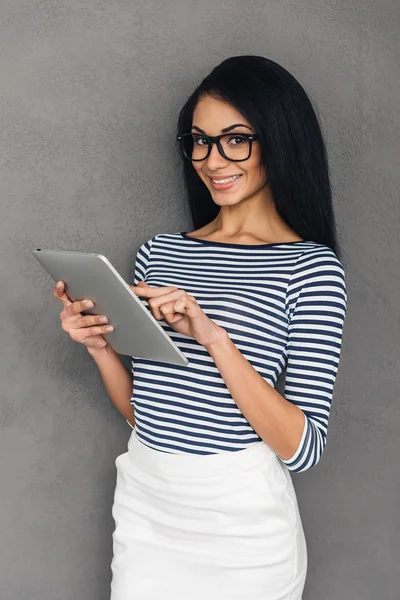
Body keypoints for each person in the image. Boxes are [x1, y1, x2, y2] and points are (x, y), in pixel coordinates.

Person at [53, 55, 348, 600]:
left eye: (236, 139)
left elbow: (303, 449)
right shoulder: (158, 254)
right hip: (147, 499)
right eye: (200, 141)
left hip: (241, 522)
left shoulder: (310, 269)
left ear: (278, 140)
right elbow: (151, 411)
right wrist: (98, 348)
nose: (213, 159)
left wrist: (214, 339)